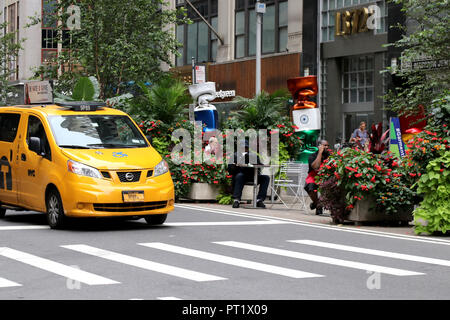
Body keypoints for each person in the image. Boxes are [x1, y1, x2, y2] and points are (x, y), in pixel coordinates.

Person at [228, 141, 270, 209]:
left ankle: (259, 200)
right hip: (241, 176)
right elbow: (230, 169)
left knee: (266, 178)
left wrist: (257, 165)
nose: (244, 149)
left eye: (246, 147)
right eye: (243, 147)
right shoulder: (235, 155)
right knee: (239, 176)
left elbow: (259, 166)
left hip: (253, 175)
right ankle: (236, 200)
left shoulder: (254, 155)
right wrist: (236, 165)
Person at [304, 140, 331, 215]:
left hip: (325, 177)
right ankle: (317, 204)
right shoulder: (312, 156)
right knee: (311, 186)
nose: (326, 147)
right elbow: (315, 167)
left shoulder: (330, 156)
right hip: (314, 176)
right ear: (319, 146)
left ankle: (316, 205)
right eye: (324, 145)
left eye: (327, 146)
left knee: (330, 186)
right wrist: (320, 153)